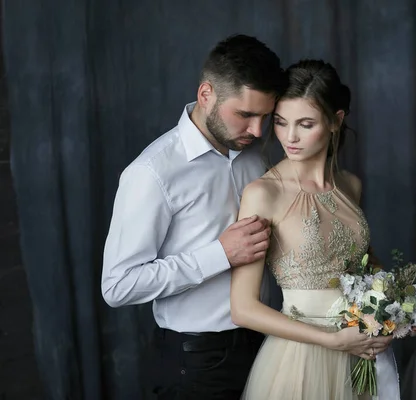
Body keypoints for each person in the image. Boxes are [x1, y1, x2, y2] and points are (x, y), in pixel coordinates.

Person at [101, 34, 284, 399]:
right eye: (245, 114)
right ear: (206, 95)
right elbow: (117, 286)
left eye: (266, 116)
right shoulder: (152, 173)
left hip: (268, 346)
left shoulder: (253, 155)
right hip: (197, 363)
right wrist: (219, 254)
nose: (258, 131)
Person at [230, 60, 403, 400]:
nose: (289, 137)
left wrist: (393, 313)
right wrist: (333, 340)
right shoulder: (264, 194)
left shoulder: (350, 185)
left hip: (361, 349)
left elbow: (366, 265)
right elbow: (242, 308)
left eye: (305, 124)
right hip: (301, 357)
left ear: (336, 121)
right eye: (280, 123)